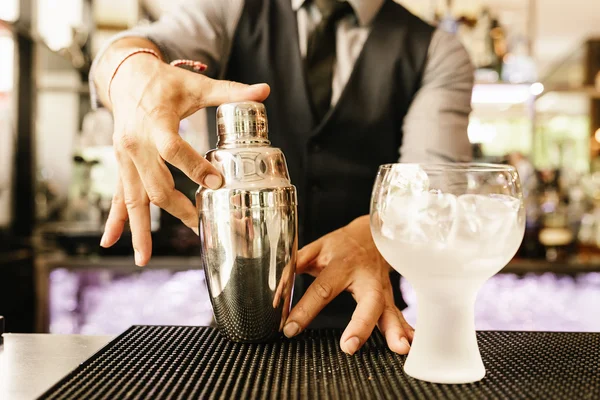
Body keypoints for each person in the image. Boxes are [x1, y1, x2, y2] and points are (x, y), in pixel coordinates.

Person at [90, 0, 474, 356]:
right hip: (238, 325)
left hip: (369, 329)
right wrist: (132, 73)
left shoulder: (438, 50)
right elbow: (128, 50)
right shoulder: (231, 10)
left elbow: (433, 192)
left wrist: (373, 236)